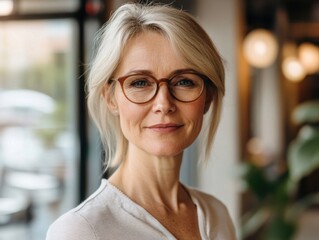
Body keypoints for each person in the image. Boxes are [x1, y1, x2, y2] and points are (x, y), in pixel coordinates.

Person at [46, 2, 236, 240]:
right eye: (140, 82)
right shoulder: (82, 231)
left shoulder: (217, 214)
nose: (164, 104)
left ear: (207, 96)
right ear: (110, 98)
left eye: (184, 81)